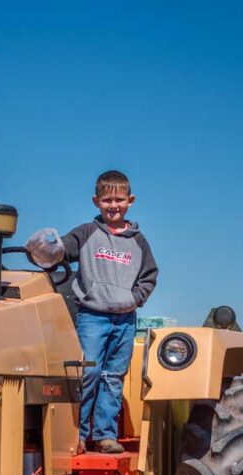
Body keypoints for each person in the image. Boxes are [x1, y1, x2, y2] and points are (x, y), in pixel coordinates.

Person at [61, 170, 158, 453]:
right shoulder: (86, 233)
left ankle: (105, 435)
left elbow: (149, 275)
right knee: (88, 374)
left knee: (113, 377)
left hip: (125, 319)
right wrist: (49, 248)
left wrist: (135, 298)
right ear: (96, 201)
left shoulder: (139, 242)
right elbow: (61, 250)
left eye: (119, 199)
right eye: (107, 200)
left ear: (130, 200)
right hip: (92, 316)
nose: (113, 205)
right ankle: (76, 435)